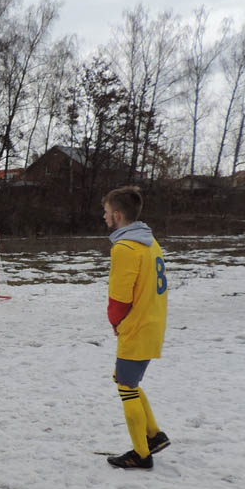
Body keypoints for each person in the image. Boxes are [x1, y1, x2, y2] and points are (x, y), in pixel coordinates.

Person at [101, 186, 170, 469]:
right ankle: (154, 435)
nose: (103, 217)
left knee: (126, 387)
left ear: (117, 215)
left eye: (106, 213)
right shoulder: (149, 242)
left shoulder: (125, 248)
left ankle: (141, 454)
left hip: (137, 326)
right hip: (153, 323)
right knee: (126, 379)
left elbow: (120, 298)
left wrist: (116, 323)